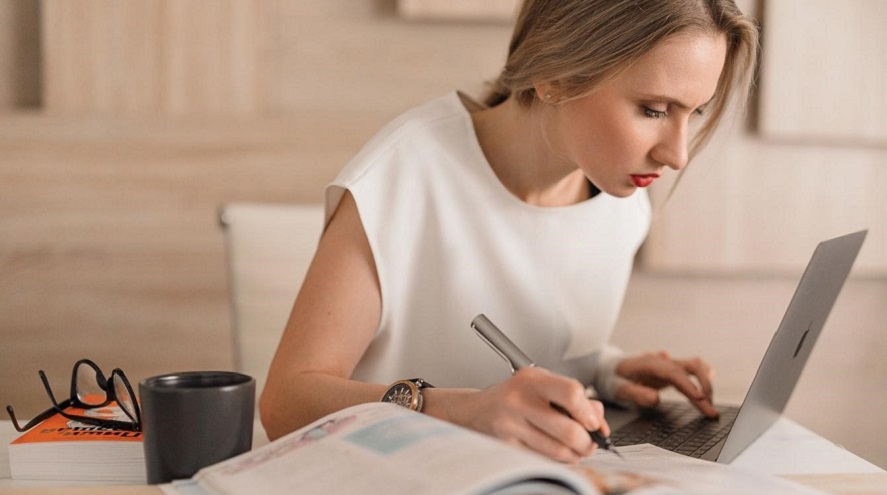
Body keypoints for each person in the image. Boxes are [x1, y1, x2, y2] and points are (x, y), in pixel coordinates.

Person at [261, 0, 759, 463]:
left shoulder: (623, 204)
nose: (677, 154)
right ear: (555, 76)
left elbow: (530, 357)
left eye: (693, 112)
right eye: (654, 110)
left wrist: (606, 370)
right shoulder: (404, 176)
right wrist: (460, 411)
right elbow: (285, 404)